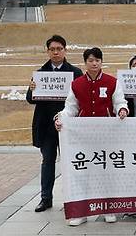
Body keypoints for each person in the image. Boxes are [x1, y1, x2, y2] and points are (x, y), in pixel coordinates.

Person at [54, 47, 128, 226]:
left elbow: (119, 101)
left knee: (107, 172)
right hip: (83, 136)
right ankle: (81, 212)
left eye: (98, 60)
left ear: (102, 62)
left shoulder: (112, 82)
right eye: (91, 60)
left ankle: (109, 209)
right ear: (85, 63)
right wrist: (60, 118)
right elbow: (71, 108)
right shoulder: (77, 84)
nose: (94, 63)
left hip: (107, 135)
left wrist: (122, 110)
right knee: (82, 172)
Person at [26, 35, 83, 213]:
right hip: (47, 126)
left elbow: (82, 99)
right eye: (53, 49)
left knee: (71, 163)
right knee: (47, 162)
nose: (56, 52)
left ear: (65, 50)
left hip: (68, 126)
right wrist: (32, 89)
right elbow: (30, 100)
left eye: (59, 49)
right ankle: (45, 198)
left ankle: (73, 199)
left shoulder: (75, 72)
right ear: (48, 51)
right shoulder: (40, 74)